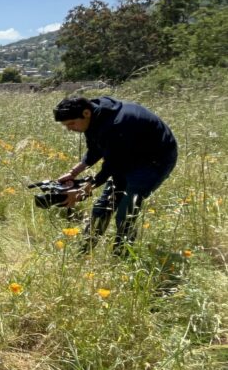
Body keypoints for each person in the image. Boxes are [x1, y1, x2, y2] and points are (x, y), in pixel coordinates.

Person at [53, 96, 178, 255]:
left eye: (71, 123)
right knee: (101, 209)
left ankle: (121, 257)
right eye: (65, 125)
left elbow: (112, 165)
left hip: (154, 161)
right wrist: (73, 173)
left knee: (125, 213)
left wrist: (83, 189)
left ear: (86, 113)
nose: (69, 129)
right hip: (129, 156)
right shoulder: (93, 118)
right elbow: (95, 150)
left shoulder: (117, 124)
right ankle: (83, 252)